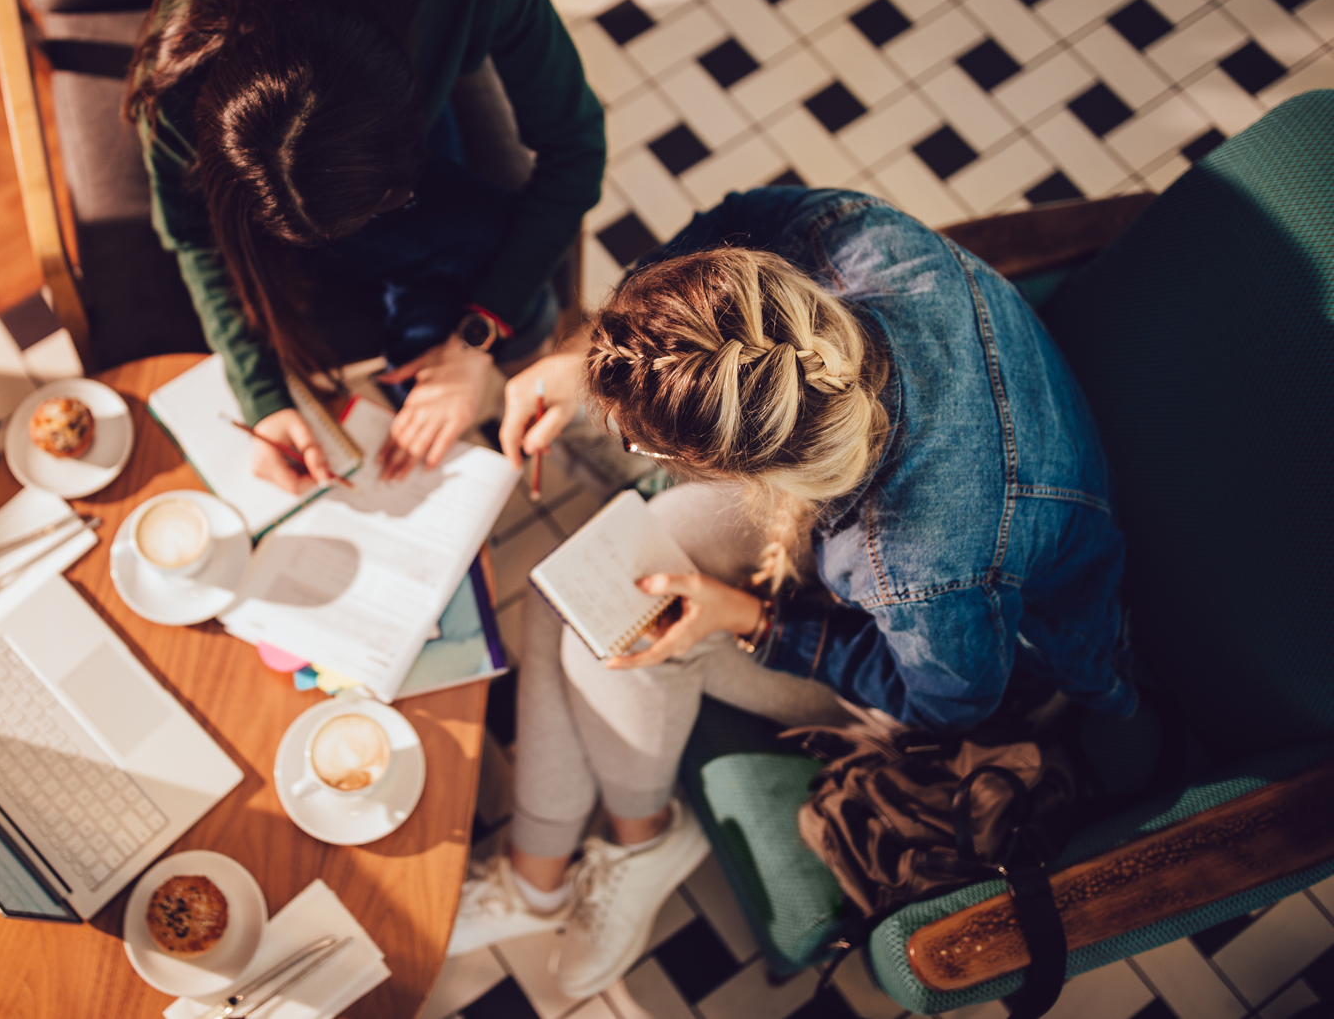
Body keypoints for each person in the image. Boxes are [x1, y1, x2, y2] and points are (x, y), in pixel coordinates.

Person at [455, 186, 1135, 997]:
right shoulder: (848, 238)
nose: (627, 441)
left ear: (740, 469)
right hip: (899, 505)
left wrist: (746, 616)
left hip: (991, 662)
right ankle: (539, 875)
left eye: (637, 439)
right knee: (581, 588)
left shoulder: (923, 565)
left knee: (620, 642)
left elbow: (950, 705)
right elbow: (726, 222)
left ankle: (642, 843)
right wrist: (591, 355)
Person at [125, 0, 604, 488]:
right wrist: (262, 398)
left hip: (411, 146)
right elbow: (198, 239)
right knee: (441, 325)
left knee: (488, 286)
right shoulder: (181, 73)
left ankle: (568, 416)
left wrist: (477, 335)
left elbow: (576, 154)